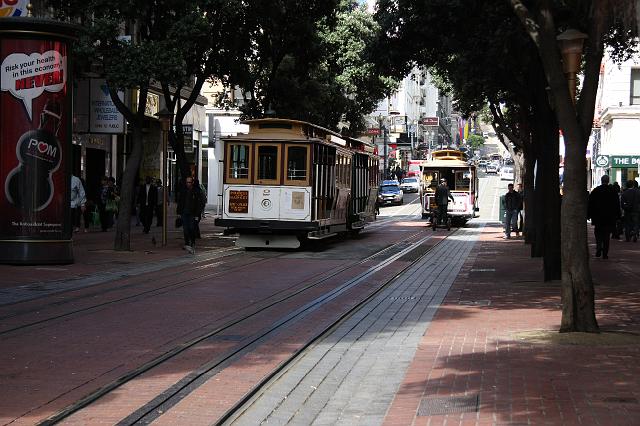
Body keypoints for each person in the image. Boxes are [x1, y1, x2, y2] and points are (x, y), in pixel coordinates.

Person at [587, 175, 620, 259]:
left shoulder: (596, 190)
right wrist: (618, 216)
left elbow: (590, 203)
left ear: (601, 180)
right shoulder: (612, 191)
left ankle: (598, 246)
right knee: (606, 235)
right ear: (608, 181)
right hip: (609, 217)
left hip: (598, 217)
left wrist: (589, 214)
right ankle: (605, 253)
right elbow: (617, 205)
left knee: (598, 233)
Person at [177, 176, 204, 254]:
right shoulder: (183, 191)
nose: (188, 184)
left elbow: (199, 204)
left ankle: (192, 241)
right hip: (184, 212)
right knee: (185, 228)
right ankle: (187, 243)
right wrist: (179, 212)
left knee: (191, 228)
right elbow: (180, 202)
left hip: (192, 213)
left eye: (189, 182)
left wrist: (197, 214)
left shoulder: (196, 191)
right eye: (187, 182)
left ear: (192, 182)